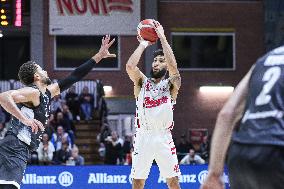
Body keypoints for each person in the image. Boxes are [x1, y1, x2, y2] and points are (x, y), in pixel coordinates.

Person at [0, 35, 115, 189]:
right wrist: (24, 119)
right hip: (13, 148)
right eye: (42, 69)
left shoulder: (47, 93)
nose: (46, 71)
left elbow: (74, 76)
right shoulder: (33, 92)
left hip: (18, 149)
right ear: (37, 76)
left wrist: (99, 56)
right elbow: (3, 97)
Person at [201, 45, 284, 189]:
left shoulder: (263, 61)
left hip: (241, 154)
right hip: (277, 149)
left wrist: (214, 173)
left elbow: (227, 114)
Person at [126, 20, 181, 189]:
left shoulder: (172, 84)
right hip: (144, 136)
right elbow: (130, 66)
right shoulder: (142, 82)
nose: (156, 63)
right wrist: (143, 43)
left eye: (160, 60)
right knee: (137, 182)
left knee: (173, 181)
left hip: (164, 136)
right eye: (155, 60)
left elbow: (173, 65)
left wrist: (162, 38)